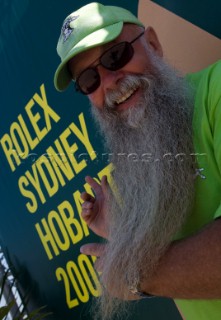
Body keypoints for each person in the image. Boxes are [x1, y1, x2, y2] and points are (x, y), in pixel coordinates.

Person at [54, 2, 221, 320]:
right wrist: (124, 235)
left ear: (154, 45)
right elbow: (180, 267)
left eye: (115, 56)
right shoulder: (142, 164)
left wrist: (130, 273)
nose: (109, 82)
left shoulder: (217, 90)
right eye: (89, 80)